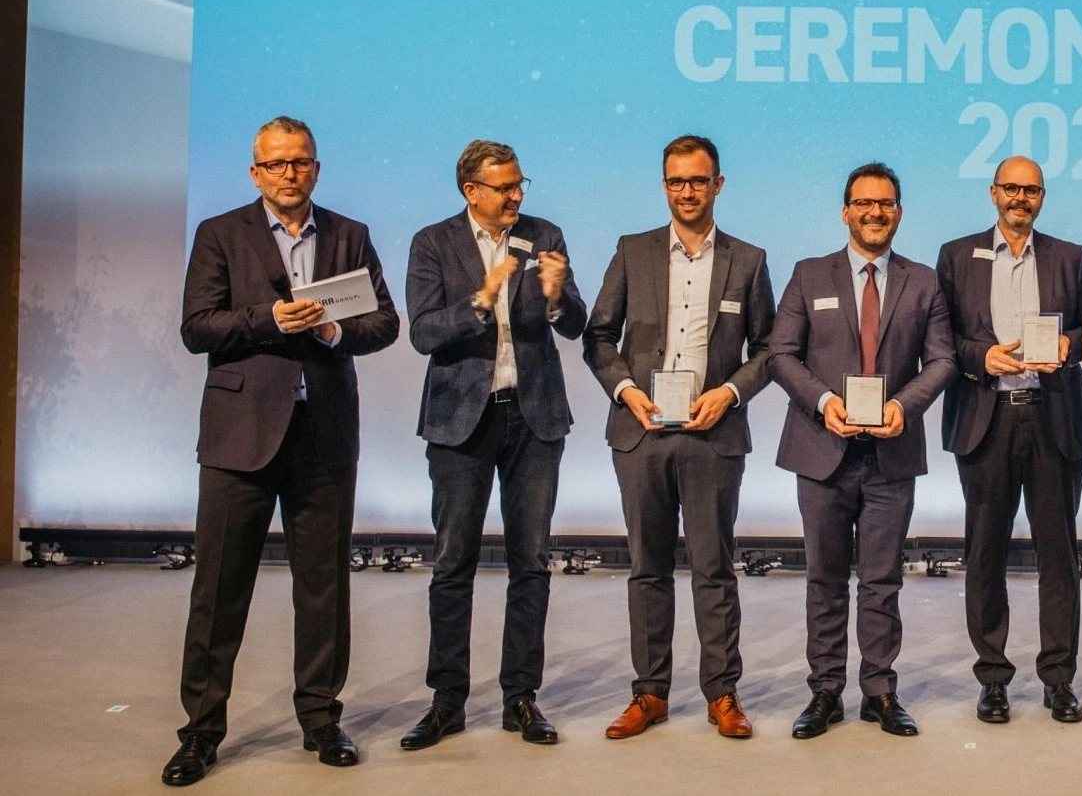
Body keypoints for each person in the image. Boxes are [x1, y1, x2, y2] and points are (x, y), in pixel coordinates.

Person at [165, 116, 399, 786]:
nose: (288, 174)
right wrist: (267, 319)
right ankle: (201, 732)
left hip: (323, 434)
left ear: (316, 168)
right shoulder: (220, 233)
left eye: (300, 162)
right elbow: (195, 327)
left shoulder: (349, 234)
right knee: (218, 591)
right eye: (275, 164)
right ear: (255, 172)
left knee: (323, 586)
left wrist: (329, 330)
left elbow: (382, 322)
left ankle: (321, 720)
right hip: (240, 433)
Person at [584, 135, 777, 741]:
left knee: (714, 567)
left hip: (712, 433)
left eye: (698, 181)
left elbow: (770, 349)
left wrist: (731, 392)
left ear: (719, 184)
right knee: (648, 568)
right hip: (640, 432)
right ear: (664, 185)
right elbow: (598, 337)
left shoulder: (747, 259)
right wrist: (624, 390)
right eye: (676, 181)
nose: (686, 192)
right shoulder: (633, 250)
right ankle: (650, 694)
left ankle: (722, 693)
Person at [399, 140, 587, 750]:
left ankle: (520, 698)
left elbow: (576, 323)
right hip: (460, 421)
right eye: (503, 187)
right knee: (453, 563)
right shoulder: (434, 243)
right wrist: (482, 297)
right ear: (470, 191)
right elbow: (424, 333)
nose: (516, 197)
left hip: (532, 419)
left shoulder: (545, 232)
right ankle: (447, 700)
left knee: (530, 562)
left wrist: (557, 296)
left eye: (519, 184)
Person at [768, 162, 957, 740]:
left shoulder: (923, 281)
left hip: (890, 454)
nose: (875, 212)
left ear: (899, 211)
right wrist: (824, 401)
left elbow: (944, 359)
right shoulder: (808, 274)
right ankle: (825, 691)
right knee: (824, 579)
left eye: (887, 203)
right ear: (845, 209)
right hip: (821, 449)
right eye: (864, 203)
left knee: (882, 580)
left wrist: (906, 404)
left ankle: (879, 691)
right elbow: (780, 354)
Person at [935, 156, 1082, 725]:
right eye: (1011, 188)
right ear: (993, 193)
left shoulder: (1069, 257)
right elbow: (942, 337)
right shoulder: (956, 256)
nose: (1019, 198)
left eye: (1030, 190)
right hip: (987, 416)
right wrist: (983, 356)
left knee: (1060, 555)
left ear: (1043, 197)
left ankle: (1058, 679)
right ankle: (994, 678)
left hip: (1052, 415)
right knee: (985, 554)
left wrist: (1066, 348)